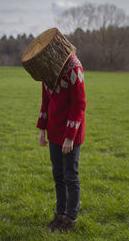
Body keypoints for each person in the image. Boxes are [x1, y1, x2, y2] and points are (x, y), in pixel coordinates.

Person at [36, 53, 86, 232]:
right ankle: (60, 214)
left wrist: (70, 136)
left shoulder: (74, 68)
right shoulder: (47, 71)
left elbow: (79, 105)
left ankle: (70, 219)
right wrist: (42, 129)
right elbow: (46, 101)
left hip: (70, 133)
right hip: (54, 132)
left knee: (70, 176)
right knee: (58, 174)